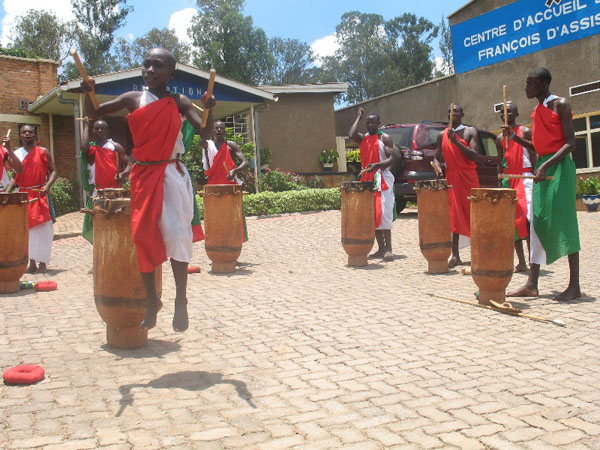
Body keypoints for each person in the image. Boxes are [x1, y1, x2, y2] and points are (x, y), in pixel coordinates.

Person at [81, 48, 216, 331]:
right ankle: (153, 302)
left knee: (178, 235)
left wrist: (210, 109)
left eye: (158, 65)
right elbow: (95, 113)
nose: (151, 70)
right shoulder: (133, 99)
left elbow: (204, 133)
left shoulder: (179, 101)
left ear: (171, 73)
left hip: (171, 174)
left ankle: (181, 299)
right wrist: (87, 92)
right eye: (147, 65)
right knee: (142, 235)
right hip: (143, 175)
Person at [508, 68, 580, 301]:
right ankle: (532, 284)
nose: (526, 88)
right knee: (536, 223)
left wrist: (545, 165)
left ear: (543, 84)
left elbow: (570, 144)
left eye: (530, 84)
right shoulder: (538, 110)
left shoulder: (561, 104)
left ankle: (574, 285)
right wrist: (516, 138)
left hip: (559, 171)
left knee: (565, 222)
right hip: (544, 171)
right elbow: (540, 149)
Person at [6, 124, 57, 273]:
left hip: (40, 194)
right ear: (20, 135)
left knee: (43, 231)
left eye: (30, 132)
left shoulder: (43, 152)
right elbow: (15, 178)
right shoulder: (16, 153)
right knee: (28, 232)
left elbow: (54, 171)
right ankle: (32, 263)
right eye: (24, 132)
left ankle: (43, 263)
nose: (27, 134)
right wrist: (7, 194)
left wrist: (47, 186)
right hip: (24, 197)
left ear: (35, 135)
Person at [434, 104, 480, 268]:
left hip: (468, 177)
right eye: (450, 112)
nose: (454, 114)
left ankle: (478, 252)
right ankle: (455, 255)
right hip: (452, 178)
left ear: (462, 114)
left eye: (457, 112)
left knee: (472, 213)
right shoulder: (442, 135)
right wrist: (438, 168)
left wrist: (456, 142)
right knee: (454, 216)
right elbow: (436, 157)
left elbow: (474, 155)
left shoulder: (470, 131)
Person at [349, 108, 396, 261]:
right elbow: (352, 135)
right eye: (368, 123)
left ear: (378, 124)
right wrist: (359, 118)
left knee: (383, 212)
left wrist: (378, 165)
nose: (370, 125)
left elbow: (391, 160)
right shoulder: (363, 138)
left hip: (382, 177)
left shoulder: (385, 138)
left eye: (373, 122)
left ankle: (388, 248)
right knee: (372, 215)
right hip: (367, 179)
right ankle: (380, 248)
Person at [495, 102, 535, 272]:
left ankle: (534, 260)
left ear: (516, 113)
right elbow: (500, 162)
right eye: (503, 112)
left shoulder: (525, 131)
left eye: (509, 111)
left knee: (527, 219)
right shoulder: (498, 138)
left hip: (524, 178)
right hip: (508, 179)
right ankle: (521, 262)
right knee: (511, 221)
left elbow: (534, 155)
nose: (506, 114)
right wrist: (500, 182)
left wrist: (535, 175)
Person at [81, 118, 131, 243]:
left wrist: (123, 174)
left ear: (107, 130)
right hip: (97, 191)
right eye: (97, 128)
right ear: (93, 130)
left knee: (114, 220)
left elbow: (128, 164)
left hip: (113, 190)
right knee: (98, 221)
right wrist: (86, 125)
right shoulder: (91, 148)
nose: (100, 130)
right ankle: (101, 247)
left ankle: (114, 245)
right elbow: (83, 146)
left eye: (102, 128)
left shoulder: (114, 146)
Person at [201, 120, 250, 242]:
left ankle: (233, 246)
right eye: (216, 128)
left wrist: (235, 171)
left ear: (224, 131)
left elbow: (246, 163)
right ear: (212, 131)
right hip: (213, 186)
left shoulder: (230, 145)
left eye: (221, 128)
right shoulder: (207, 145)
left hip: (230, 185)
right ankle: (217, 246)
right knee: (215, 218)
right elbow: (201, 137)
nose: (218, 130)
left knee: (232, 218)